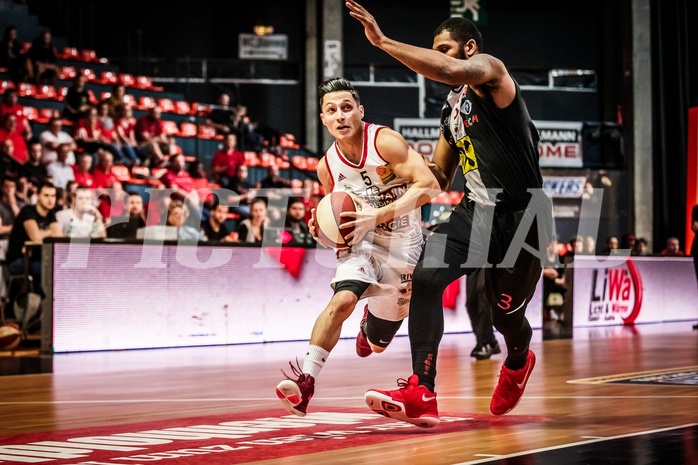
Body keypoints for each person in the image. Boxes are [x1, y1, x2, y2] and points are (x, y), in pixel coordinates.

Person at [347, 0, 552, 426]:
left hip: (523, 217)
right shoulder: (451, 111)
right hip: (476, 212)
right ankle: (422, 389)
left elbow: (451, 71)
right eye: (434, 48)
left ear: (469, 48)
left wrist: (383, 42)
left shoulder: (492, 73)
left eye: (444, 48)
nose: (438, 56)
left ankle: (517, 361)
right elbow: (440, 175)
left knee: (505, 316)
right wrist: (391, 173)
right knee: (426, 277)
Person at [274, 77, 439, 417]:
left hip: (405, 249)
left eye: (347, 108)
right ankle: (306, 381)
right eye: (332, 110)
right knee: (341, 300)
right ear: (323, 118)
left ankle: (370, 325)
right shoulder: (326, 166)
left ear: (360, 111)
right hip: (363, 248)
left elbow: (430, 186)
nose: (341, 116)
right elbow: (334, 207)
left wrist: (376, 215)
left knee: (376, 346)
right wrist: (321, 227)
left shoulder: (386, 142)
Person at [6, 181, 62, 296]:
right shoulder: (28, 211)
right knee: (43, 269)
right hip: (18, 260)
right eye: (46, 195)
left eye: (53, 196)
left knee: (60, 268)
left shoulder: (50, 214)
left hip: (38, 258)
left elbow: (59, 236)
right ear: (38, 196)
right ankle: (41, 304)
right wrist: (50, 232)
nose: (50, 200)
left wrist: (43, 233)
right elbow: (36, 238)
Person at [465, 269, 501, 359]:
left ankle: (483, 343)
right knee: (471, 302)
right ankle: (492, 343)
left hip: (492, 259)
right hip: (474, 259)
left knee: (482, 293)